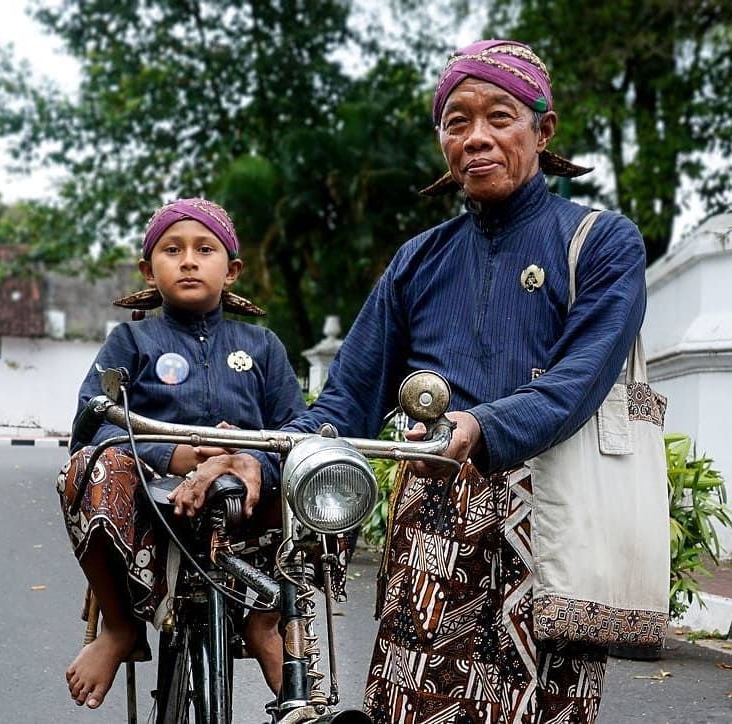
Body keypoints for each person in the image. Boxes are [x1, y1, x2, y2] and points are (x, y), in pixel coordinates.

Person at [191, 40, 647, 722]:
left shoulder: (603, 242)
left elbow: (578, 380)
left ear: (543, 129)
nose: (477, 138)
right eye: (456, 122)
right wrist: (258, 455)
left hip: (553, 525)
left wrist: (482, 424)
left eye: (501, 116)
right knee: (409, 709)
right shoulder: (419, 261)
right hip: (430, 526)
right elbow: (345, 401)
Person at [57, 197, 305, 709]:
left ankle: (265, 625)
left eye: (204, 249)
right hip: (153, 506)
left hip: (250, 504)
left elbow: (294, 430)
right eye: (172, 250)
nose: (188, 260)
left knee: (320, 472)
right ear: (149, 269)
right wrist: (174, 455)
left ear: (231, 270)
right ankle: (122, 627)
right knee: (86, 467)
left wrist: (251, 462)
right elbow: (90, 425)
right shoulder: (131, 341)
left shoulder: (263, 347)